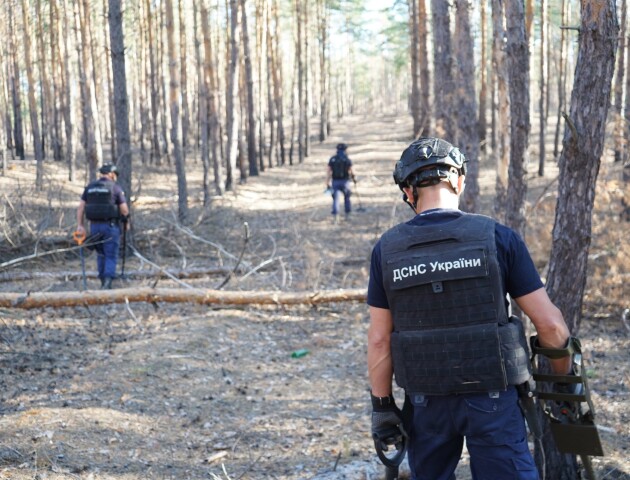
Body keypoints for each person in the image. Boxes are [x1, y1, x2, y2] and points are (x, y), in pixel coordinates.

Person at [367, 137, 573, 480]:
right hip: (494, 398)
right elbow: (551, 327)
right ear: (460, 181)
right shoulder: (498, 237)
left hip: (424, 403)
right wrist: (562, 384)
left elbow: (378, 340)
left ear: (407, 191)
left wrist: (382, 407)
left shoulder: (386, 250)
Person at [76, 164, 130, 289]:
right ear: (111, 174)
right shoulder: (115, 188)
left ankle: (102, 280)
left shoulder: (89, 188)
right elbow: (125, 210)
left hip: (94, 227)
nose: (115, 177)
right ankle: (107, 282)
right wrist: (126, 223)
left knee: (100, 254)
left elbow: (81, 208)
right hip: (110, 227)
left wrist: (80, 225)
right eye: (115, 175)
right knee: (110, 254)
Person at [326, 143, 354, 220]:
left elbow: (329, 171)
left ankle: (336, 215)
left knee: (336, 198)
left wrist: (327, 182)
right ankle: (348, 214)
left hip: (335, 181)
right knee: (347, 197)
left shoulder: (332, 159)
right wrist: (353, 178)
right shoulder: (347, 159)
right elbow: (351, 170)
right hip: (345, 181)